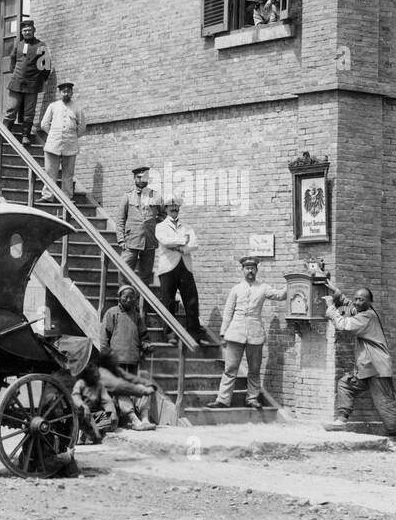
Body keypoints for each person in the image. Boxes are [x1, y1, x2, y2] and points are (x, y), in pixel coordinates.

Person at [323, 281, 396, 450]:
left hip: (377, 366)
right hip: (367, 367)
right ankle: (341, 420)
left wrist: (331, 309)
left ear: (369, 302)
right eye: (356, 298)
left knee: (384, 402)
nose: (357, 302)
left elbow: (345, 325)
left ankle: (394, 438)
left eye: (361, 300)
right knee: (345, 384)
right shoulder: (362, 310)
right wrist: (336, 292)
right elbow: (350, 305)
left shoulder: (367, 316)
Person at [209, 256, 287, 409]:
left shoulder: (263, 288)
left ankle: (252, 399)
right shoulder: (236, 289)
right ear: (242, 270)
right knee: (230, 369)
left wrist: (291, 284)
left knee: (254, 369)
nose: (250, 271)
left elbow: (280, 295)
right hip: (235, 333)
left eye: (252, 268)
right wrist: (223, 333)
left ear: (257, 270)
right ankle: (223, 400)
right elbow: (228, 312)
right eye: (247, 268)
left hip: (255, 334)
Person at [155, 198, 208, 343]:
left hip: (185, 266)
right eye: (171, 206)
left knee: (192, 300)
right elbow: (165, 241)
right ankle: (169, 334)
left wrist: (179, 246)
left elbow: (194, 244)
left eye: (176, 205)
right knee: (169, 301)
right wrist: (182, 241)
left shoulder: (187, 227)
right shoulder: (160, 226)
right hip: (168, 268)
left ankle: (194, 334)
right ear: (165, 209)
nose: (174, 208)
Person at [101, 286, 155, 429]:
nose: (129, 300)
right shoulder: (112, 313)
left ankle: (144, 418)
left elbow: (144, 336)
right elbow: (104, 338)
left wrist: (147, 345)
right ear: (119, 297)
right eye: (126, 297)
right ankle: (132, 418)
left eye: (132, 297)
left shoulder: (136, 316)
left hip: (133, 360)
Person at [116, 162, 164, 307]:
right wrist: (121, 240)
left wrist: (156, 230)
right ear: (134, 179)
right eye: (139, 177)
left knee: (145, 275)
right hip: (131, 241)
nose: (141, 180)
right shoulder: (127, 196)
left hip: (149, 242)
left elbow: (162, 215)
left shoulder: (155, 196)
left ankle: (142, 303)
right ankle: (124, 299)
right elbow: (120, 220)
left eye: (144, 177)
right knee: (124, 270)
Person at [3, 18, 51, 144]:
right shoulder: (18, 45)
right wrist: (15, 74)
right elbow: (12, 59)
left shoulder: (41, 46)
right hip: (17, 82)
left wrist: (42, 79)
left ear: (34, 30)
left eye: (29, 30)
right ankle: (3, 134)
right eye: (24, 30)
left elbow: (46, 65)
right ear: (21, 32)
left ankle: (25, 136)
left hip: (32, 84)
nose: (27, 32)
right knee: (12, 109)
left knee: (29, 112)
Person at [39, 81, 85, 198]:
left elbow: (82, 127)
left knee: (68, 173)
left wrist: (72, 136)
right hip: (53, 144)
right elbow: (44, 124)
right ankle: (48, 196)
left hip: (70, 145)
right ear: (60, 93)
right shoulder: (53, 106)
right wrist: (54, 134)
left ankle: (67, 197)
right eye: (63, 91)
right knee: (50, 172)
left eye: (68, 91)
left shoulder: (77, 108)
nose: (66, 94)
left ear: (72, 93)